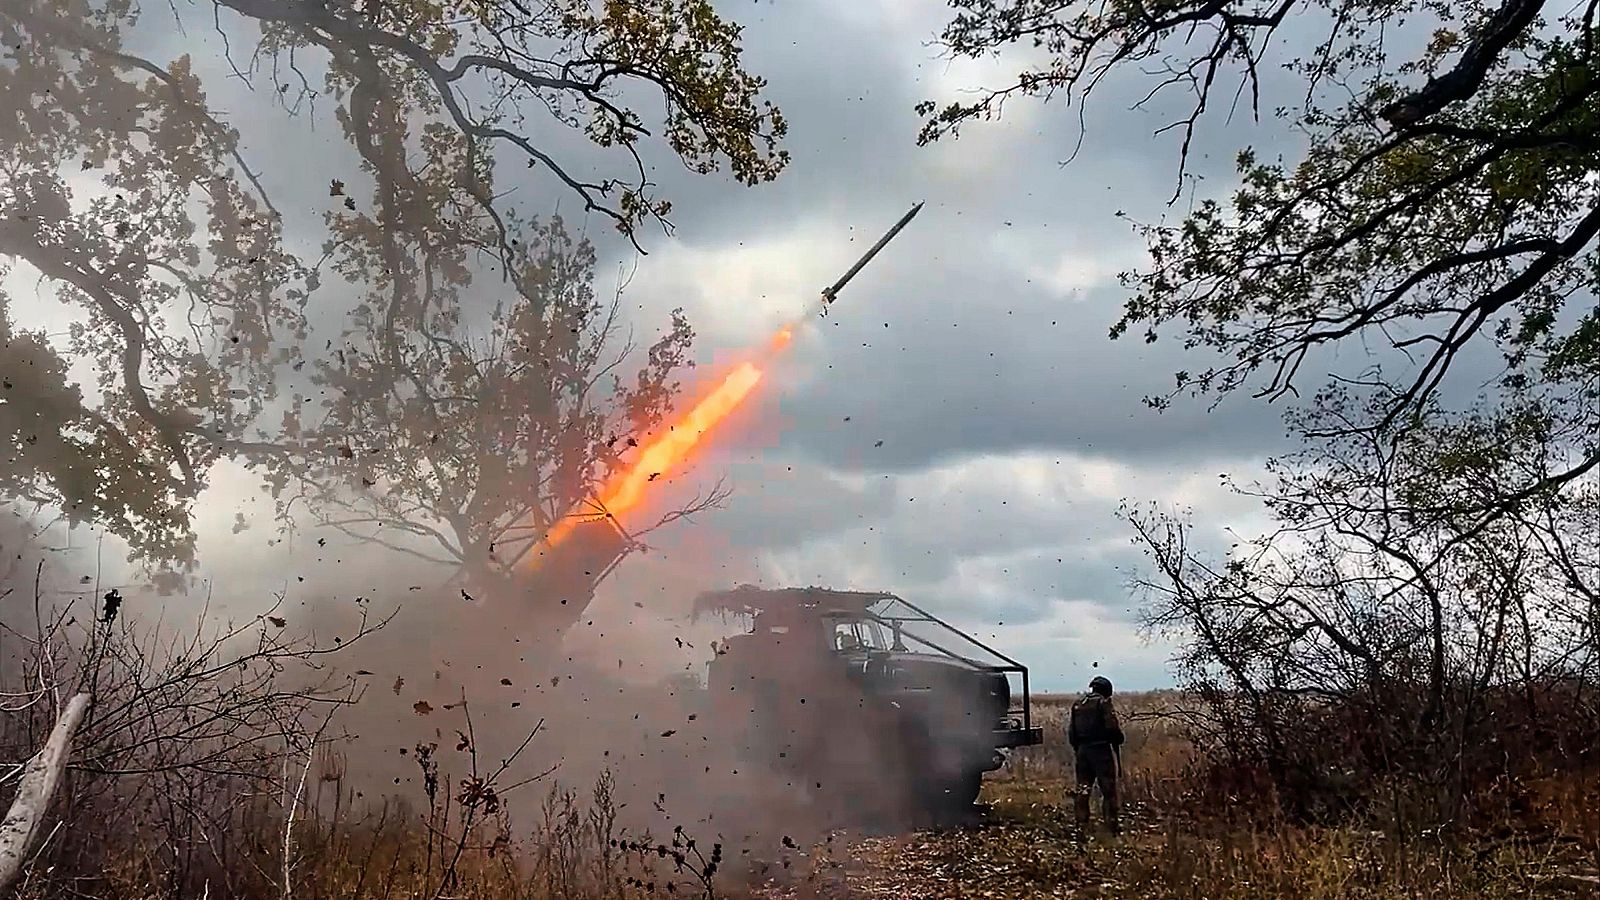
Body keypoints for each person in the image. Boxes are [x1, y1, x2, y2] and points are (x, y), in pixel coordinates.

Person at [1067, 675, 1124, 836]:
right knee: (1109, 790)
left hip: (1083, 752)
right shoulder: (1103, 703)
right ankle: (1111, 826)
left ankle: (1081, 825)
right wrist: (1118, 738)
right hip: (1101, 751)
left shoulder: (1078, 703)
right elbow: (1111, 727)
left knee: (1083, 789)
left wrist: (1079, 750)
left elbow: (1072, 733)